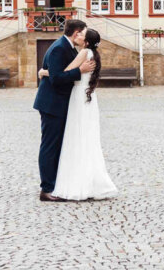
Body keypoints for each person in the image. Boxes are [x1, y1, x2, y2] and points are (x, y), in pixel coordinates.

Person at [37, 28, 118, 201]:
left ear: (86, 41)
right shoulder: (92, 53)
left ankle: (66, 184)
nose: (79, 36)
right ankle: (84, 182)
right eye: (80, 33)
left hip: (78, 99)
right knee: (85, 139)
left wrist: (43, 72)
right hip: (87, 99)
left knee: (76, 138)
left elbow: (62, 73)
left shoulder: (83, 53)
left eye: (83, 35)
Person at [32, 18, 95, 202]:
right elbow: (57, 78)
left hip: (58, 103)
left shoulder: (67, 47)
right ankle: (46, 189)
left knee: (57, 145)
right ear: (76, 33)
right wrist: (80, 70)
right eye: (83, 33)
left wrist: (44, 71)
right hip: (52, 104)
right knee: (49, 146)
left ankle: (55, 184)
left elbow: (53, 71)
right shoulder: (60, 47)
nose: (84, 37)